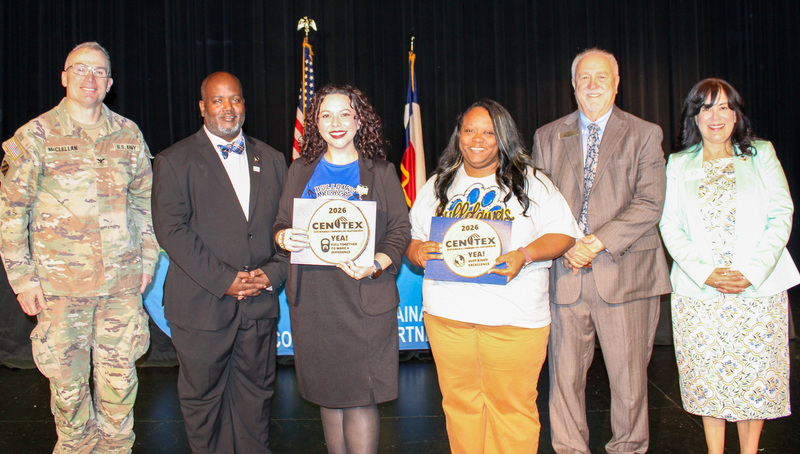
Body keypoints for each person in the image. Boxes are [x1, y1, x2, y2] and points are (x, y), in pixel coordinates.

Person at [0, 41, 159, 452]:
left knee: (120, 379)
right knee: (67, 386)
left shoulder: (128, 133)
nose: (90, 78)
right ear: (64, 77)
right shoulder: (34, 136)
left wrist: (147, 258)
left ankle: (117, 447)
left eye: (98, 72)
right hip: (58, 288)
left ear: (109, 83)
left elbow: (145, 201)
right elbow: (12, 211)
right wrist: (22, 278)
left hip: (121, 287)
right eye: (80, 69)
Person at [406, 99, 581, 453]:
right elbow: (413, 240)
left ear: (503, 137)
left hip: (512, 319)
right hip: (447, 317)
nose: (477, 139)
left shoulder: (532, 183)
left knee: (511, 408)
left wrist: (524, 255)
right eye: (469, 130)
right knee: (459, 405)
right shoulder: (438, 184)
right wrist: (418, 252)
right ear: (458, 136)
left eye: (488, 132)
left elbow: (563, 234)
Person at [531, 48, 671, 454]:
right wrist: (570, 245)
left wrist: (598, 240)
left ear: (617, 83)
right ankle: (570, 448)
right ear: (573, 85)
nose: (592, 86)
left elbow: (650, 202)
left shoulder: (645, 134)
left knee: (629, 382)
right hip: (566, 272)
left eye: (601, 77)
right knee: (564, 378)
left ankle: (628, 448)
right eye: (584, 78)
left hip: (625, 272)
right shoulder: (548, 135)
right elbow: (538, 202)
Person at [659, 78, 799, 454]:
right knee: (707, 381)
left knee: (755, 379)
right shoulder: (678, 163)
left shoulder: (761, 154)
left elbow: (781, 213)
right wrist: (704, 272)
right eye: (705, 107)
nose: (715, 115)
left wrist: (752, 272)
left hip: (756, 290)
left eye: (723, 106)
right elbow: (669, 224)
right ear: (695, 116)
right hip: (701, 293)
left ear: (736, 114)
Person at [151, 71, 288, 454]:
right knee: (203, 402)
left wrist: (273, 273)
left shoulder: (274, 159)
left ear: (244, 105)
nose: (228, 108)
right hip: (201, 306)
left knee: (256, 399)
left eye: (236, 99)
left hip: (259, 303)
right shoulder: (173, 161)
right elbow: (172, 232)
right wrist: (225, 279)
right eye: (218, 100)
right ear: (202, 107)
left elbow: (290, 227)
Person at [273, 84, 410, 454]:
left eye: (344, 114)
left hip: (363, 300)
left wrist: (377, 264)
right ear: (315, 123)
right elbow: (281, 223)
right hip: (314, 303)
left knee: (360, 398)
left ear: (359, 120)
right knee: (328, 396)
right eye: (325, 115)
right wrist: (284, 237)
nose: (336, 123)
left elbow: (400, 230)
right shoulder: (299, 170)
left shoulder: (379, 171)